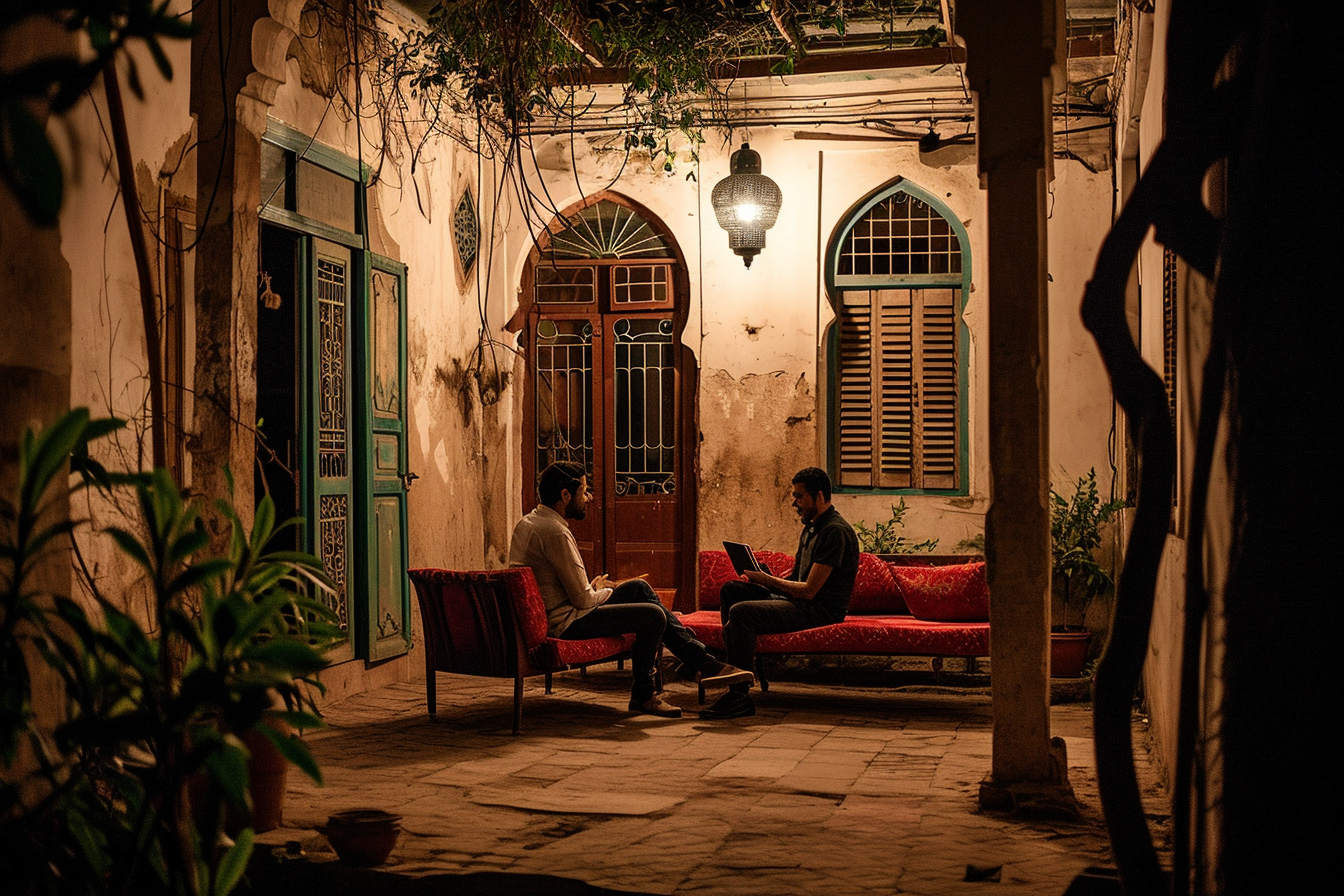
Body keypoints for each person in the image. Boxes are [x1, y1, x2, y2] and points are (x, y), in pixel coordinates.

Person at [509, 461, 753, 719]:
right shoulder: (555, 532)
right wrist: (603, 591)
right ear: (565, 495)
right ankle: (647, 693)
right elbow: (582, 600)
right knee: (653, 615)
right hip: (566, 622)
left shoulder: (529, 523)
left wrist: (597, 590)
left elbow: (564, 589)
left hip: (561, 611)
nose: (588, 498)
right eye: (584, 491)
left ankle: (698, 661)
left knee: (638, 587)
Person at [700, 467, 860, 720]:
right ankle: (730, 669)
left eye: (799, 496)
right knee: (732, 591)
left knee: (742, 613)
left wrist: (768, 581)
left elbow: (809, 591)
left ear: (818, 496)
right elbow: (797, 580)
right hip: (800, 601)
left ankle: (739, 696)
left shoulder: (834, 532)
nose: (794, 503)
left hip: (820, 610)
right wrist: (765, 581)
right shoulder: (811, 528)